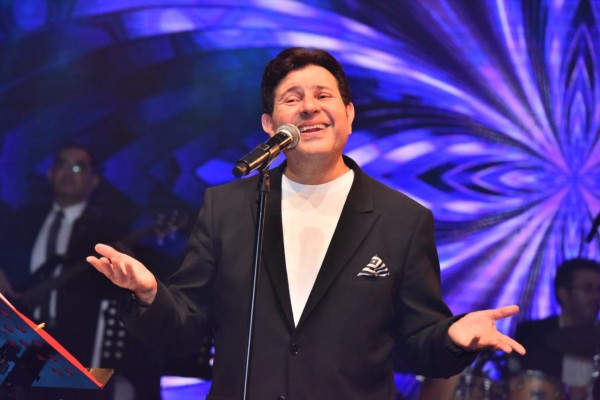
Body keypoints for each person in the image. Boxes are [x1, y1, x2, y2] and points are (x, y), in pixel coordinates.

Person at [86, 47, 525, 400]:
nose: (309, 108)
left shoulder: (402, 220)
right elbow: (188, 326)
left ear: (349, 115)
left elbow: (417, 342)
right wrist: (149, 295)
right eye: (292, 99)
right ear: (269, 125)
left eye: (323, 96)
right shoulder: (228, 207)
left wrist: (453, 337)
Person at [0, 144, 162, 400]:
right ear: (51, 173)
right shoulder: (22, 219)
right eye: (62, 165)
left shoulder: (109, 230)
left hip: (78, 349)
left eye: (78, 167)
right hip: (19, 341)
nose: (69, 173)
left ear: (93, 179)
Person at [514, 258, 600, 400]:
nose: (596, 297)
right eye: (588, 289)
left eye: (599, 289)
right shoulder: (532, 335)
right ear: (564, 294)